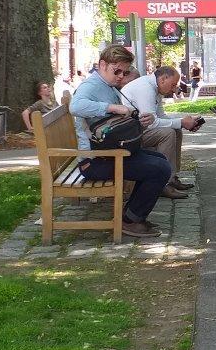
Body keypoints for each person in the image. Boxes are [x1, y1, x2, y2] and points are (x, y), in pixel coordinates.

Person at [70, 45, 172, 238]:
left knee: (160, 160)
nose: (120, 76)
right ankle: (130, 221)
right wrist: (113, 108)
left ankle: (130, 214)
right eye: (116, 71)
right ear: (102, 65)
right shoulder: (91, 86)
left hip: (108, 153)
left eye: (124, 72)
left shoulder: (107, 85)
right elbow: (75, 106)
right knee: (160, 170)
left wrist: (141, 120)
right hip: (94, 161)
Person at [121, 65, 202, 198]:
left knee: (176, 130)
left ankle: (172, 177)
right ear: (163, 79)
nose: (174, 88)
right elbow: (152, 124)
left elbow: (161, 117)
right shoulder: (145, 88)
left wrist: (184, 121)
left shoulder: (154, 87)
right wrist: (182, 122)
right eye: (173, 84)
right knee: (168, 133)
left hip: (137, 130)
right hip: (131, 135)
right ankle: (163, 184)